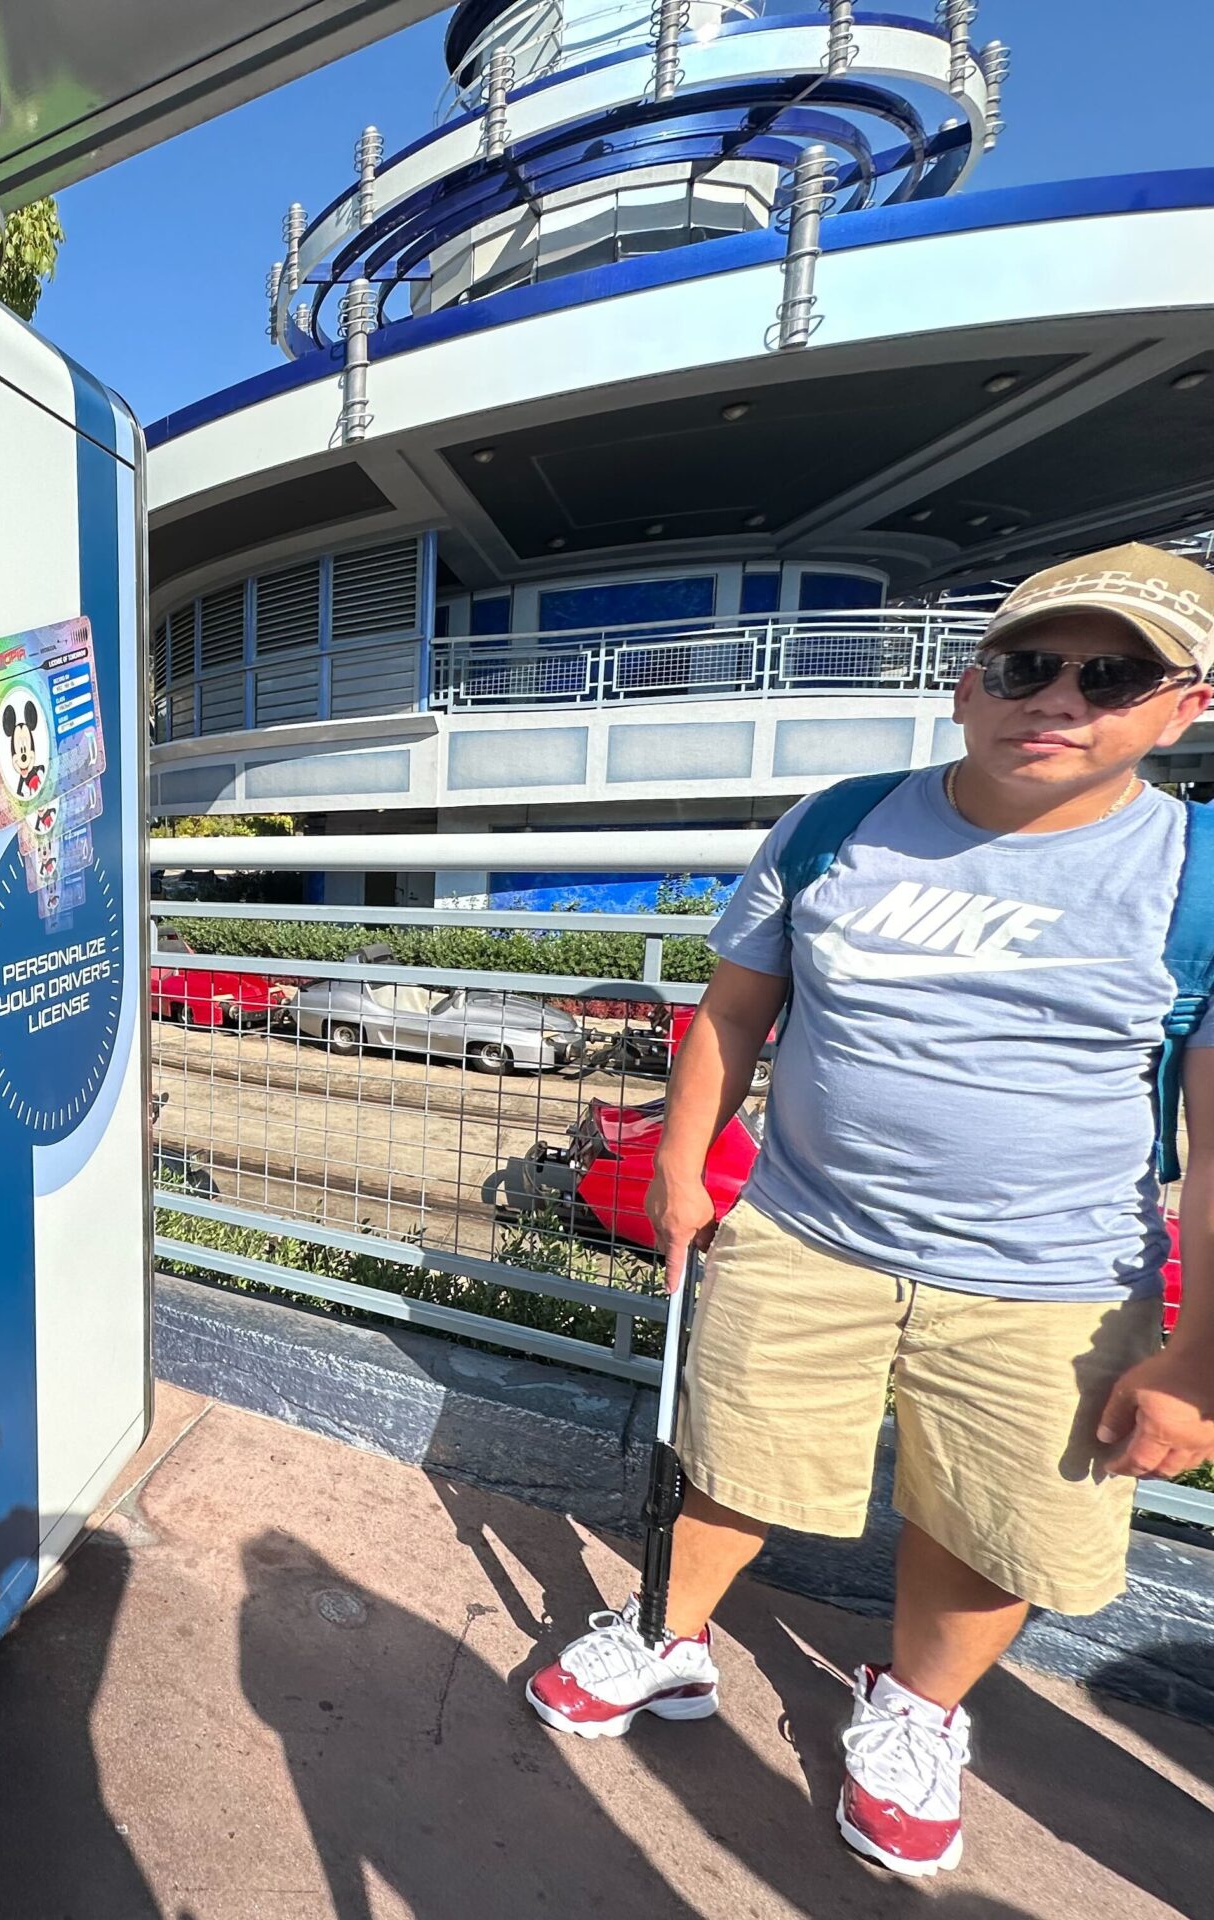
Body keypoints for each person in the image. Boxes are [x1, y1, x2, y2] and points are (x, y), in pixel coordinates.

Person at [523, 543, 1214, 1876]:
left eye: (1112, 674)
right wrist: (680, 1167)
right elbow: (735, 1010)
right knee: (730, 1453)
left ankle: (915, 1711)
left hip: (1055, 1280)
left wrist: (1197, 1363)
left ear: (1185, 706)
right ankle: (671, 1637)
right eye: (1028, 665)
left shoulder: (1193, 873)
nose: (1058, 699)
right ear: (968, 686)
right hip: (802, 1233)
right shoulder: (839, 819)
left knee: (987, 1515)